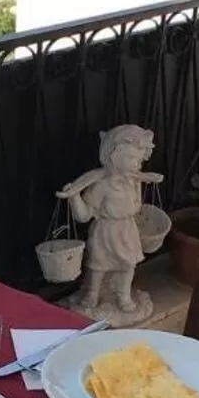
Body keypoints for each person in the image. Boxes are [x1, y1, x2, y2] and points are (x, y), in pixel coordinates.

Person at [59, 123, 163, 319]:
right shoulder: (101, 185)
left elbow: (136, 206)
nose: (136, 164)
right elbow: (83, 216)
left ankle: (123, 294)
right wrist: (74, 197)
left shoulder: (134, 181)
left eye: (139, 160)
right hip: (105, 231)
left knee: (128, 265)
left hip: (127, 230)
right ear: (113, 156)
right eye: (131, 158)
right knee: (98, 265)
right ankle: (92, 294)